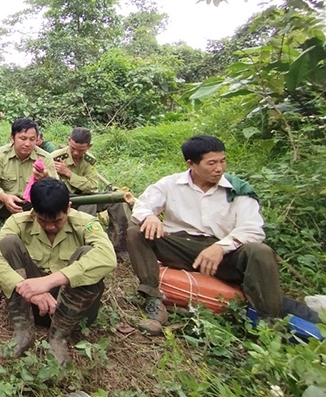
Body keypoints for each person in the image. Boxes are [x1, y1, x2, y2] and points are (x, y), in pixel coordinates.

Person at [127, 134, 320, 335]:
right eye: (211, 163)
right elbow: (142, 205)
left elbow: (253, 228)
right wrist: (149, 216)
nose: (219, 168)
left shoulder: (237, 190)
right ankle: (153, 300)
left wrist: (220, 247)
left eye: (222, 161)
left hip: (224, 255)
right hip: (180, 246)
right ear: (191, 164)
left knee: (259, 250)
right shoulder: (170, 184)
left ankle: (269, 323)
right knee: (135, 233)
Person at [0, 178, 116, 364]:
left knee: (87, 253)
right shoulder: (18, 222)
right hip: (32, 303)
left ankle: (58, 338)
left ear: (68, 207)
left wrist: (51, 281)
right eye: (43, 220)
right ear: (33, 211)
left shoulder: (85, 223)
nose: (50, 226)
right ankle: (23, 332)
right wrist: (26, 287)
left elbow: (108, 257)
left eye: (57, 220)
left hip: (73, 311)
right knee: (8, 243)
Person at [0, 118, 58, 249]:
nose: (28, 143)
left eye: (32, 139)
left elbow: (57, 189)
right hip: (4, 204)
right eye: (23, 138)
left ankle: (42, 240)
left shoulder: (45, 158)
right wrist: (4, 197)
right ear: (12, 138)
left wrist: (46, 177)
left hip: (31, 206)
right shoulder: (0, 155)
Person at [51, 127, 131, 255]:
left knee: (115, 199)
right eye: (73, 148)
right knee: (89, 202)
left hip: (85, 196)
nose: (76, 153)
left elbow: (92, 186)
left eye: (81, 150)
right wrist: (81, 183)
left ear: (89, 146)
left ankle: (119, 246)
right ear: (68, 141)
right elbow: (51, 186)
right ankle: (87, 246)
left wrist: (69, 174)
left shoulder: (89, 160)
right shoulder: (55, 158)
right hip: (65, 198)